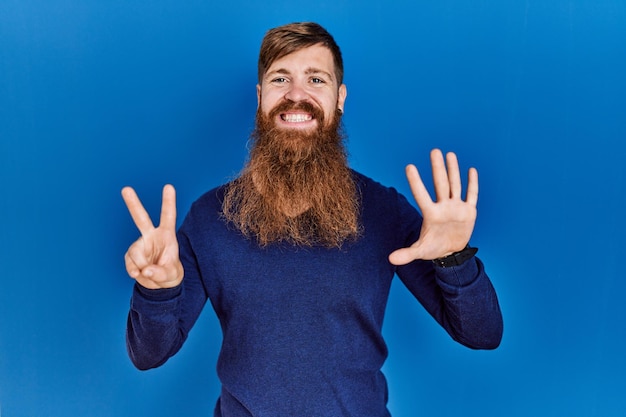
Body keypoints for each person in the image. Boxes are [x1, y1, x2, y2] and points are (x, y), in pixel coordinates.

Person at [122, 22, 503, 417]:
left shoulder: (384, 211)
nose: (296, 95)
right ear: (260, 97)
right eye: (280, 78)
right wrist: (158, 290)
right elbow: (148, 354)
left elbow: (482, 334)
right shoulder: (209, 218)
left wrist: (456, 260)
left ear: (340, 98)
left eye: (316, 79)